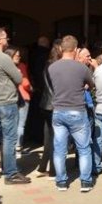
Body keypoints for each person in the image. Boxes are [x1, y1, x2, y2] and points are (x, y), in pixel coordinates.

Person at [0, 27, 31, 184]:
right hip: (7, 102)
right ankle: (11, 173)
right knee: (9, 138)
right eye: (6, 38)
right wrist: (18, 74)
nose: (7, 41)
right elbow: (18, 78)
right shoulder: (3, 58)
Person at [48, 35, 94, 192]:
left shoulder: (52, 67)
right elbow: (91, 83)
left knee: (60, 148)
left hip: (58, 110)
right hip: (77, 110)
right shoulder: (82, 68)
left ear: (61, 49)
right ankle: (85, 182)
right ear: (75, 50)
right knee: (84, 148)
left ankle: (61, 181)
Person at [36, 42, 61, 178]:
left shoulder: (48, 64)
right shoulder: (56, 66)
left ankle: (43, 166)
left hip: (46, 103)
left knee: (48, 137)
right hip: (54, 104)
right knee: (55, 138)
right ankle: (53, 169)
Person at [4, 47, 32, 156]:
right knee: (21, 125)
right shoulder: (21, 66)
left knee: (12, 125)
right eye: (17, 56)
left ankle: (11, 148)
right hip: (23, 97)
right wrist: (31, 88)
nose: (19, 57)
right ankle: (18, 147)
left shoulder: (4, 68)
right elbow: (25, 83)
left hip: (9, 99)